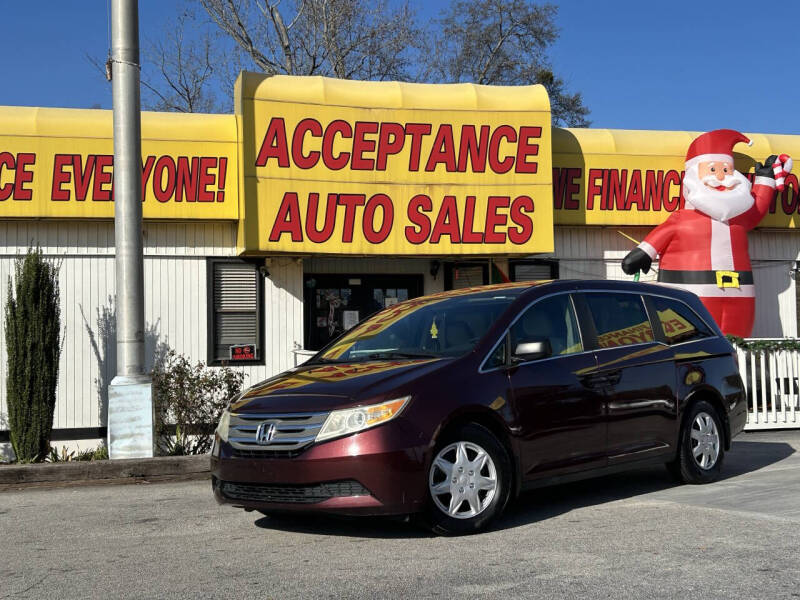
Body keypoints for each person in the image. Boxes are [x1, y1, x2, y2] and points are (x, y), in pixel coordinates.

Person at [621, 129, 791, 337]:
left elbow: (757, 208)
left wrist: (765, 181)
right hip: (691, 293)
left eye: (726, 170)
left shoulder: (739, 218)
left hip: (740, 294)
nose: (721, 176)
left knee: (735, 343)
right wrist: (643, 253)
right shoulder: (681, 219)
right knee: (692, 344)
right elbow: (661, 235)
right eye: (712, 169)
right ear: (693, 176)